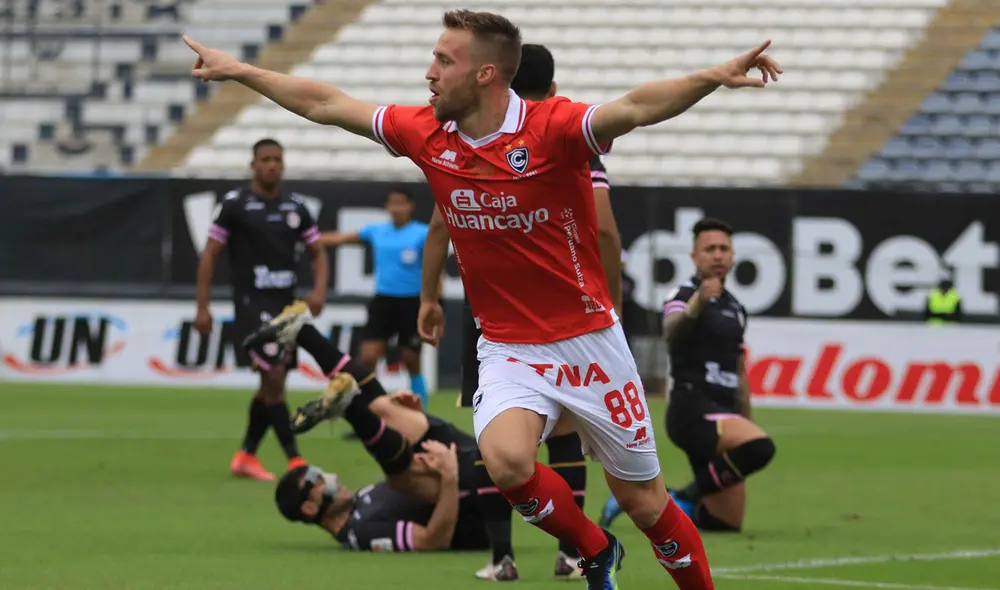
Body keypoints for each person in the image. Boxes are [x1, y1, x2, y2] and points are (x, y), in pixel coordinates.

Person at [184, 10, 781, 589]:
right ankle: (596, 549)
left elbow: (635, 107)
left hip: (589, 341)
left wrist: (712, 76)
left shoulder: (552, 128)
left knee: (644, 502)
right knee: (506, 462)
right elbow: (326, 103)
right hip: (508, 346)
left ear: (485, 74)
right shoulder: (427, 133)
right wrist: (240, 70)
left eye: (443, 61)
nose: (429, 73)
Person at [426, 42, 618, 582]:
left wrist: (428, 297)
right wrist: (610, 304)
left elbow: (440, 224)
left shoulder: (470, 137)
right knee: (565, 432)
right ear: (553, 90)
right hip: (566, 314)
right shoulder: (570, 142)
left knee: (494, 435)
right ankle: (573, 553)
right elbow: (604, 231)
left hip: (493, 316)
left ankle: (502, 557)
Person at [603, 218, 776, 533]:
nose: (718, 255)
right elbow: (670, 331)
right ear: (695, 256)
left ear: (733, 256)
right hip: (693, 410)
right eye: (710, 249)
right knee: (761, 448)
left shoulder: (735, 307)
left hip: (725, 414)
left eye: (724, 249)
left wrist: (747, 420)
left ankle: (645, 499)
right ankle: (684, 496)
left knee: (723, 523)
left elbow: (739, 369)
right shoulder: (683, 293)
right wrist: (697, 305)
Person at [194, 139, 327, 480]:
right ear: (252, 165)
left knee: (270, 386)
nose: (272, 165)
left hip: (287, 307)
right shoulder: (235, 205)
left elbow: (318, 252)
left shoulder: (296, 207)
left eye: (277, 159)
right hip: (252, 303)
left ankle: (246, 456)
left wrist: (319, 291)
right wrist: (203, 307)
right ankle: (295, 461)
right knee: (275, 378)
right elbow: (210, 255)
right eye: (265, 159)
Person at [275, 376, 491, 553]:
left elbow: (413, 479)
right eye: (319, 480)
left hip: (466, 468)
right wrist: (449, 477)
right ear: (310, 508)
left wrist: (415, 419)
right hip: (477, 506)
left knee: (386, 408)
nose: (332, 477)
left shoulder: (361, 498)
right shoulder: (362, 531)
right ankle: (349, 407)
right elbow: (432, 541)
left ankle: (350, 402)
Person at [319, 188, 431, 406]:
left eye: (402, 203)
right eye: (393, 203)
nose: (397, 208)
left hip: (411, 302)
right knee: (368, 358)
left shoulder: (422, 233)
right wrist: (312, 238)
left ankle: (422, 412)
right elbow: (343, 238)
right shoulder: (377, 231)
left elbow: (435, 271)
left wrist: (435, 303)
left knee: (411, 360)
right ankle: (367, 409)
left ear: (411, 206)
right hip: (383, 301)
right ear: (387, 207)